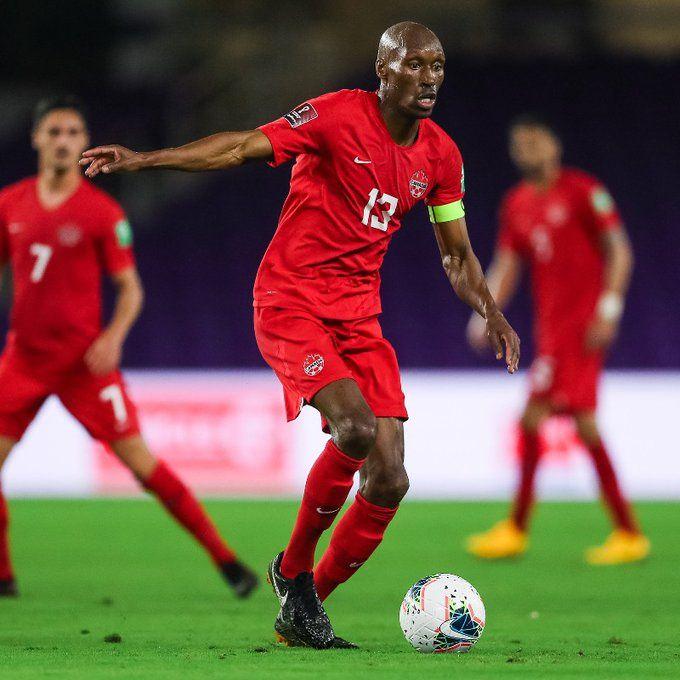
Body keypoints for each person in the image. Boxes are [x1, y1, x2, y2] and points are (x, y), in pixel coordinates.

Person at [80, 22, 520, 649]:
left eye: (438, 66)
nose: (429, 77)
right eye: (415, 64)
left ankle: (301, 607)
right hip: (290, 301)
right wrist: (147, 159)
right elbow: (240, 147)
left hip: (359, 317)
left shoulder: (442, 155)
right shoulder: (337, 115)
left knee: (390, 478)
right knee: (357, 429)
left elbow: (456, 254)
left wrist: (491, 307)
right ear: (384, 68)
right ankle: (294, 574)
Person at [0, 96, 258, 599]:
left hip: (84, 366)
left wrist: (112, 337)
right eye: (53, 131)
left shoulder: (101, 212)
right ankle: (4, 577)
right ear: (36, 138)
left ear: (82, 142)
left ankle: (226, 561)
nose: (62, 141)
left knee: (144, 467)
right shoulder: (10, 204)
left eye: (73, 133)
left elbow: (131, 288)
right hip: (24, 361)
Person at [465, 115, 650, 565]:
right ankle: (624, 531)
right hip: (551, 330)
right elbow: (507, 264)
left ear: (554, 144)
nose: (526, 149)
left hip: (583, 327)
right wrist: (485, 311)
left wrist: (609, 308)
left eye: (534, 140)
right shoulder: (517, 204)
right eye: (519, 143)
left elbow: (620, 251)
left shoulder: (583, 191)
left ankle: (521, 528)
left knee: (536, 418)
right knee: (571, 421)